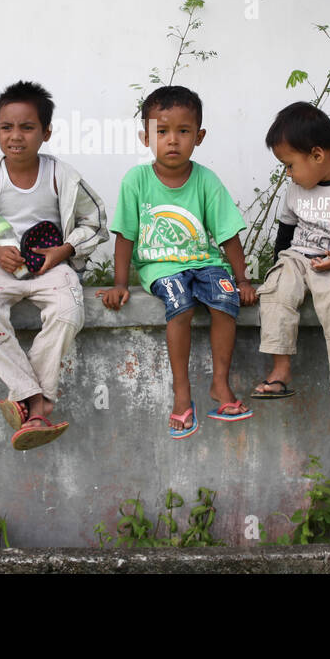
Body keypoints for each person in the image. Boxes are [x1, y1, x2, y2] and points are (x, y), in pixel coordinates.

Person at [0, 81, 108, 450]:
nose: (16, 136)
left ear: (46, 132)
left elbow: (97, 222)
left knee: (69, 312)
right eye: (7, 127)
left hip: (51, 267)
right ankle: (37, 402)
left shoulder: (63, 176)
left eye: (27, 127)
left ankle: (26, 402)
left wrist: (63, 251)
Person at [98, 85, 257, 437]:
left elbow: (228, 234)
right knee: (180, 305)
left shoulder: (206, 180)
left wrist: (243, 279)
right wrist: (120, 283)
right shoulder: (136, 181)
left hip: (205, 261)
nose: (173, 140)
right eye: (162, 131)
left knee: (224, 298)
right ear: (146, 138)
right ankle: (182, 393)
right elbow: (125, 235)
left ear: (199, 137)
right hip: (161, 266)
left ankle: (220, 384)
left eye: (183, 132)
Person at [250, 103, 330, 406]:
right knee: (276, 290)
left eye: (290, 164)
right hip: (298, 257)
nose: (288, 173)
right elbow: (285, 233)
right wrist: (280, 265)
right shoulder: (295, 189)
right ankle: (280, 371)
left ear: (318, 155)